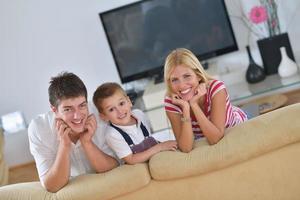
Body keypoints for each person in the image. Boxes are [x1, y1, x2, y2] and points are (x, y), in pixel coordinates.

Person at [28, 72, 118, 192]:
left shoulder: (100, 114)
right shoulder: (39, 129)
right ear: (54, 110)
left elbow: (115, 167)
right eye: (68, 109)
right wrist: (64, 145)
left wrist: (87, 142)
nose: (77, 116)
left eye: (82, 105)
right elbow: (51, 186)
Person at [164, 48, 248, 153]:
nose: (181, 85)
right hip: (204, 135)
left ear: (198, 76)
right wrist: (186, 108)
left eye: (187, 76)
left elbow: (215, 138)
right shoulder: (172, 102)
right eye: (174, 80)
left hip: (235, 125)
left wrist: (194, 105)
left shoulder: (216, 89)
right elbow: (185, 147)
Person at [93, 82, 177, 165]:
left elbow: (149, 139)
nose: (120, 111)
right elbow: (131, 159)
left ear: (129, 101)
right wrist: (160, 147)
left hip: (155, 158)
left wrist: (164, 145)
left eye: (121, 104)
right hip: (137, 166)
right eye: (111, 109)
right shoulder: (112, 134)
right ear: (104, 116)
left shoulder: (139, 114)